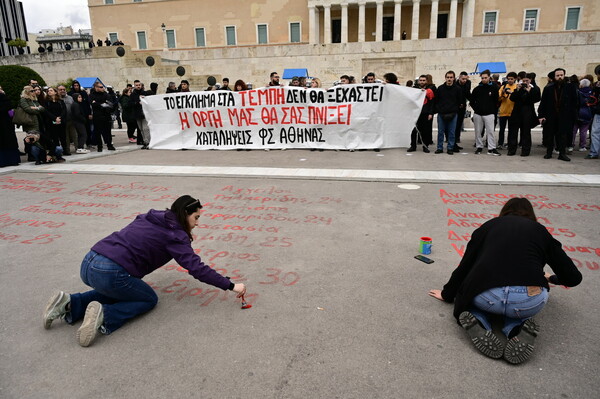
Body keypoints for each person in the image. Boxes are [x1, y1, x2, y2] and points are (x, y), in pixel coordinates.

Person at [42, 195, 247, 347]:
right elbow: (196, 268)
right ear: (185, 214)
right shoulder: (175, 235)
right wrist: (230, 285)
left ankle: (69, 303)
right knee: (147, 299)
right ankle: (106, 314)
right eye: (196, 217)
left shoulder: (150, 217)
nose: (198, 222)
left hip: (89, 262)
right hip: (110, 272)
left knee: (122, 289)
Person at [428, 198, 582, 364]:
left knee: (470, 294)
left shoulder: (489, 226)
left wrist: (448, 294)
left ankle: (479, 320)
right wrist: (552, 278)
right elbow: (573, 277)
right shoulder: (541, 232)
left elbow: (465, 265)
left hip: (487, 296)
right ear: (532, 215)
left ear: (504, 212)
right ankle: (517, 329)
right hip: (528, 300)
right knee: (517, 310)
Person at [538, 68, 579, 161]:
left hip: (565, 116)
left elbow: (575, 102)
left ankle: (562, 153)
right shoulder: (548, 88)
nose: (560, 77)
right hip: (551, 115)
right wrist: (541, 115)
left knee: (563, 136)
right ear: (554, 77)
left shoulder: (570, 87)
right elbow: (543, 103)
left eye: (561, 75)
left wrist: (574, 116)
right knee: (550, 135)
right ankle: (549, 152)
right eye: (558, 75)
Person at [507, 73, 541, 157]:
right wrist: (517, 90)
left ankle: (525, 151)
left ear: (530, 80)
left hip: (527, 112)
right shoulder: (519, 88)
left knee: (526, 132)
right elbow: (512, 98)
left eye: (527, 81)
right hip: (516, 112)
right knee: (513, 132)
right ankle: (511, 149)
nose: (525, 82)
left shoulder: (535, 89)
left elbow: (536, 99)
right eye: (523, 81)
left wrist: (529, 92)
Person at [470, 69, 501, 156]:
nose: (484, 79)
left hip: (490, 113)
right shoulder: (477, 89)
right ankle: (479, 146)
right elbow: (472, 101)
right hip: (478, 114)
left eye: (485, 78)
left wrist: (493, 109)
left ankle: (491, 148)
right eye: (482, 78)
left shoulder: (494, 88)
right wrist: (477, 109)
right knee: (478, 131)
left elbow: (497, 101)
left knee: (490, 131)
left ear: (489, 77)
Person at [434, 70, 463, 155]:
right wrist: (439, 109)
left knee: (451, 132)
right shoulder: (440, 88)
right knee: (440, 132)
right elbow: (437, 100)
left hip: (453, 114)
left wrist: (455, 109)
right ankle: (439, 148)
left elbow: (460, 101)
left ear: (454, 78)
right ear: (445, 78)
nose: (449, 79)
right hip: (441, 114)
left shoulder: (458, 89)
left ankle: (450, 148)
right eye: (448, 77)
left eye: (451, 77)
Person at [408, 75, 434, 153]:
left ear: (426, 81)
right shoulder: (414, 89)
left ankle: (425, 146)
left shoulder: (429, 91)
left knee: (425, 131)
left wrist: (430, 113)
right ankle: (413, 146)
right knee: (413, 130)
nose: (422, 82)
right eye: (421, 80)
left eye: (423, 80)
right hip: (415, 113)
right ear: (418, 81)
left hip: (425, 113)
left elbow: (432, 103)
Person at [89, 82, 115, 152]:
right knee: (97, 132)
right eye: (100, 87)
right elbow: (93, 104)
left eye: (102, 87)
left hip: (106, 115)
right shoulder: (92, 95)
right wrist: (101, 104)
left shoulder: (106, 94)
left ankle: (109, 145)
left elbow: (110, 104)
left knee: (108, 132)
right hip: (97, 116)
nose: (102, 88)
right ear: (96, 87)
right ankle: (99, 146)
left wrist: (100, 104)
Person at [43, 87, 67, 162]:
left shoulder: (60, 101)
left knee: (63, 136)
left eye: (51, 90)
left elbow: (64, 110)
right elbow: (46, 112)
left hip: (60, 121)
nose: (49, 92)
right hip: (51, 123)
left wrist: (60, 118)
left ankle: (65, 150)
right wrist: (54, 118)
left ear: (55, 92)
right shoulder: (46, 102)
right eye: (48, 91)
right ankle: (58, 153)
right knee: (55, 138)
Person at [570, 78, 593, 152]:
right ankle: (582, 146)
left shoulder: (578, 92)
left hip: (578, 112)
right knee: (584, 131)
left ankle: (571, 144)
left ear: (582, 85)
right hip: (588, 113)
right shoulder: (591, 92)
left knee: (574, 130)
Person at [0, 86, 20, 167]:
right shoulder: (4, 97)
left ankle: (3, 161)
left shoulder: (3, 97)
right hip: (7, 124)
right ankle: (13, 160)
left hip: (5, 124)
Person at [497, 72, 518, 149]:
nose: (510, 80)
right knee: (501, 129)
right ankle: (500, 143)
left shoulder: (517, 87)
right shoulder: (503, 87)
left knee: (511, 130)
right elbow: (498, 98)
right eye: (508, 79)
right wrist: (503, 93)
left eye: (511, 79)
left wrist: (511, 93)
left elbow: (518, 98)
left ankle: (510, 144)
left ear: (515, 79)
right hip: (503, 111)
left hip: (513, 112)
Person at [130, 80, 151, 149]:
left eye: (139, 85)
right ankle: (145, 142)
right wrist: (137, 102)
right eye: (136, 85)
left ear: (141, 85)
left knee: (145, 129)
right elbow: (130, 103)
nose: (138, 86)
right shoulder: (133, 95)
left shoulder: (145, 93)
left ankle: (148, 142)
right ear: (134, 86)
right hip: (137, 114)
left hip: (144, 114)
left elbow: (149, 102)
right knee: (141, 129)